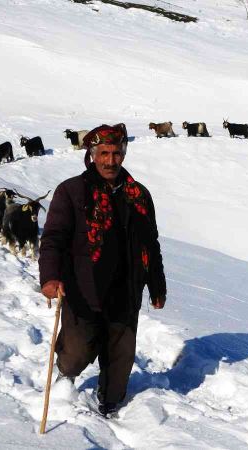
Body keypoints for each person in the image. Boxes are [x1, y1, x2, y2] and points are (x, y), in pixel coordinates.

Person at [39, 123, 166, 417]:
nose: (111, 160)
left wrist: (157, 285)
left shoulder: (139, 195)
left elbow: (151, 243)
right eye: (105, 153)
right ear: (92, 155)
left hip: (127, 287)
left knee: (120, 356)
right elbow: (54, 237)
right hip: (85, 285)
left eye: (117, 153)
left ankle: (110, 403)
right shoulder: (72, 191)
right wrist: (50, 276)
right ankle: (65, 378)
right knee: (77, 349)